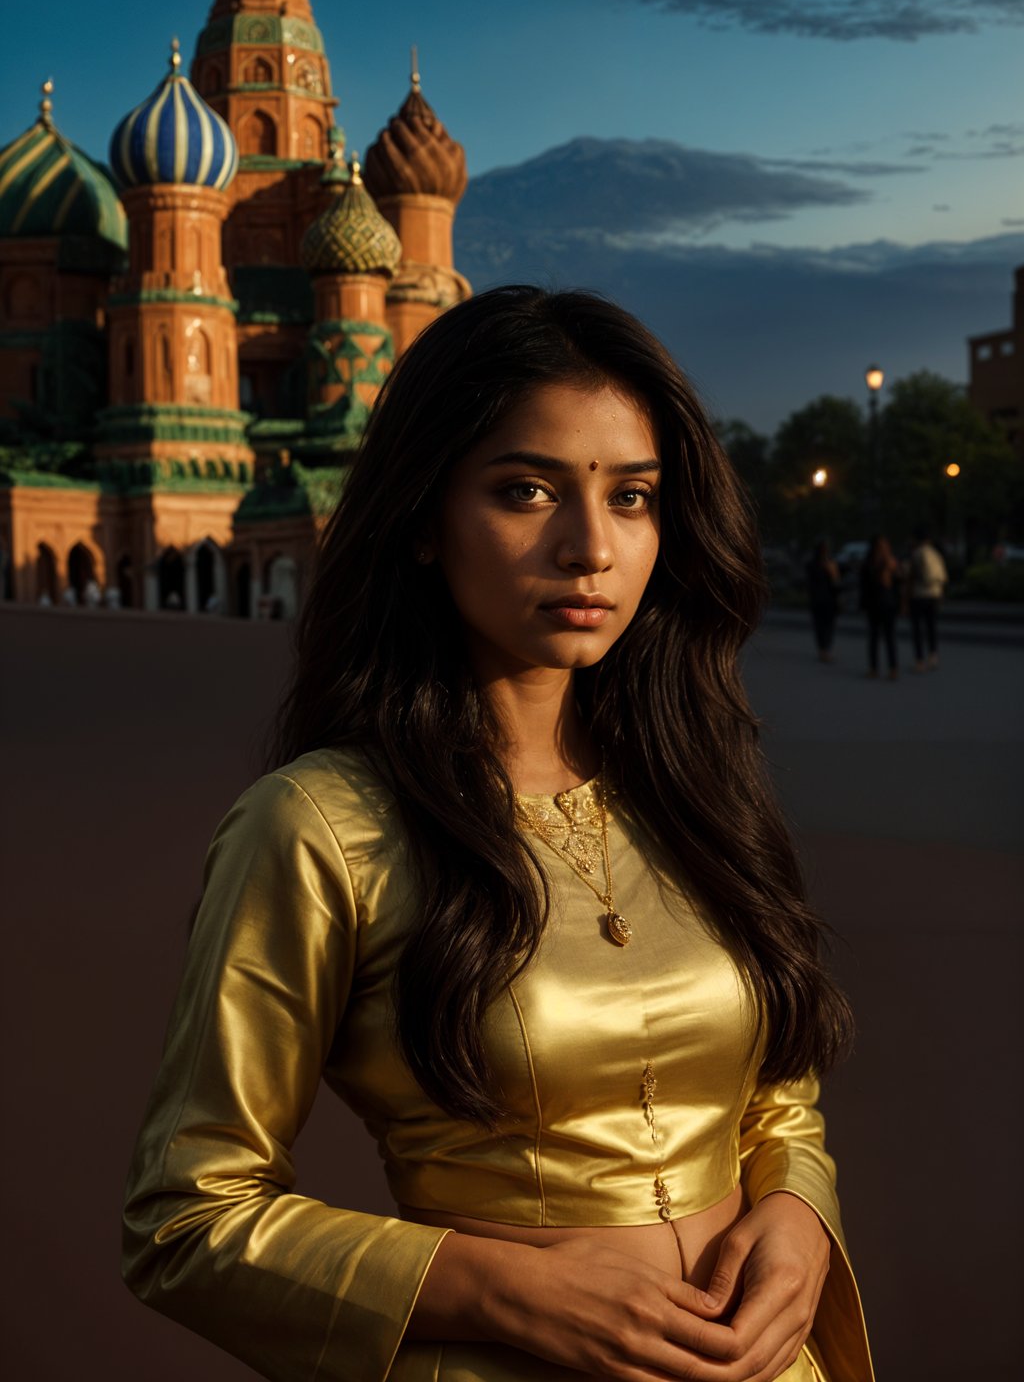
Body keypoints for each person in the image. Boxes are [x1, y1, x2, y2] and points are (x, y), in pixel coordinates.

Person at [122, 287, 874, 1382]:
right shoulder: (322, 826)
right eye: (526, 491)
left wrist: (801, 1221)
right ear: (424, 520)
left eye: (631, 498)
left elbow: (776, 1097)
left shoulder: (690, 784)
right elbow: (184, 1219)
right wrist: (504, 1288)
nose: (589, 548)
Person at [859, 535, 902, 680]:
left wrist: (892, 571)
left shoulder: (891, 562)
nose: (884, 549)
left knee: (889, 637)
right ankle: (874, 668)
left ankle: (893, 668)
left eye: (885, 546)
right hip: (874, 604)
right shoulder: (869, 564)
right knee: (874, 637)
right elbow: (865, 585)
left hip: (888, 603)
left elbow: (896, 584)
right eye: (881, 546)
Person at [907, 527, 948, 672]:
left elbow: (911, 576)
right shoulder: (935, 553)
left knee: (917, 629)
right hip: (934, 594)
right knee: (931, 627)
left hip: (919, 595)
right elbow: (942, 576)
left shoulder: (916, 553)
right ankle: (933, 656)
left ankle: (919, 661)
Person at [805, 541, 841, 663]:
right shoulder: (813, 566)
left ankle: (826, 649)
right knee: (820, 626)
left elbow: (836, 585)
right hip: (819, 600)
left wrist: (833, 574)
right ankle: (823, 650)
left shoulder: (831, 565)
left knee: (829, 626)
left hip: (829, 600)